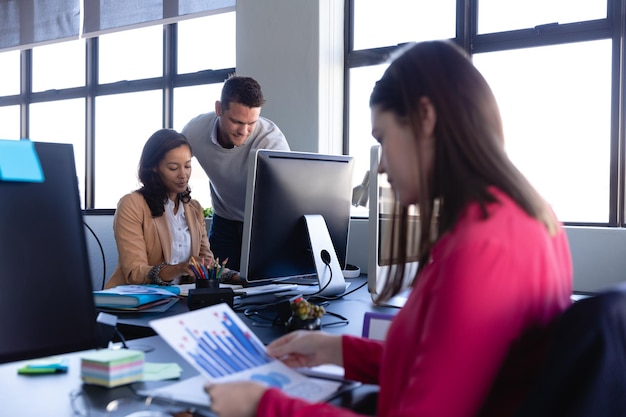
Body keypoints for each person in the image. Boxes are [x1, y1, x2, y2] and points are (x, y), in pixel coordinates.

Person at [201, 40, 574, 417]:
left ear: (424, 118)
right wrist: (338, 351)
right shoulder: (526, 217)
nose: (379, 167)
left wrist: (263, 406)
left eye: (383, 138)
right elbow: (449, 365)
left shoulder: (481, 248)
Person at [182, 74, 290, 273]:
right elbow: (173, 164)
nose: (244, 131)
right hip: (224, 221)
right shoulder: (195, 131)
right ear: (219, 109)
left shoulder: (271, 142)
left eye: (251, 123)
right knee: (216, 283)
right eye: (237, 122)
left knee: (262, 288)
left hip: (262, 226)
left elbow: (285, 199)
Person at [105, 128, 220, 289]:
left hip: (178, 299)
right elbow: (135, 272)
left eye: (187, 166)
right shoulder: (132, 204)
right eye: (173, 168)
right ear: (154, 167)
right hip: (134, 301)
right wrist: (178, 269)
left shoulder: (194, 209)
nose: (183, 175)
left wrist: (237, 276)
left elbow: (206, 263)